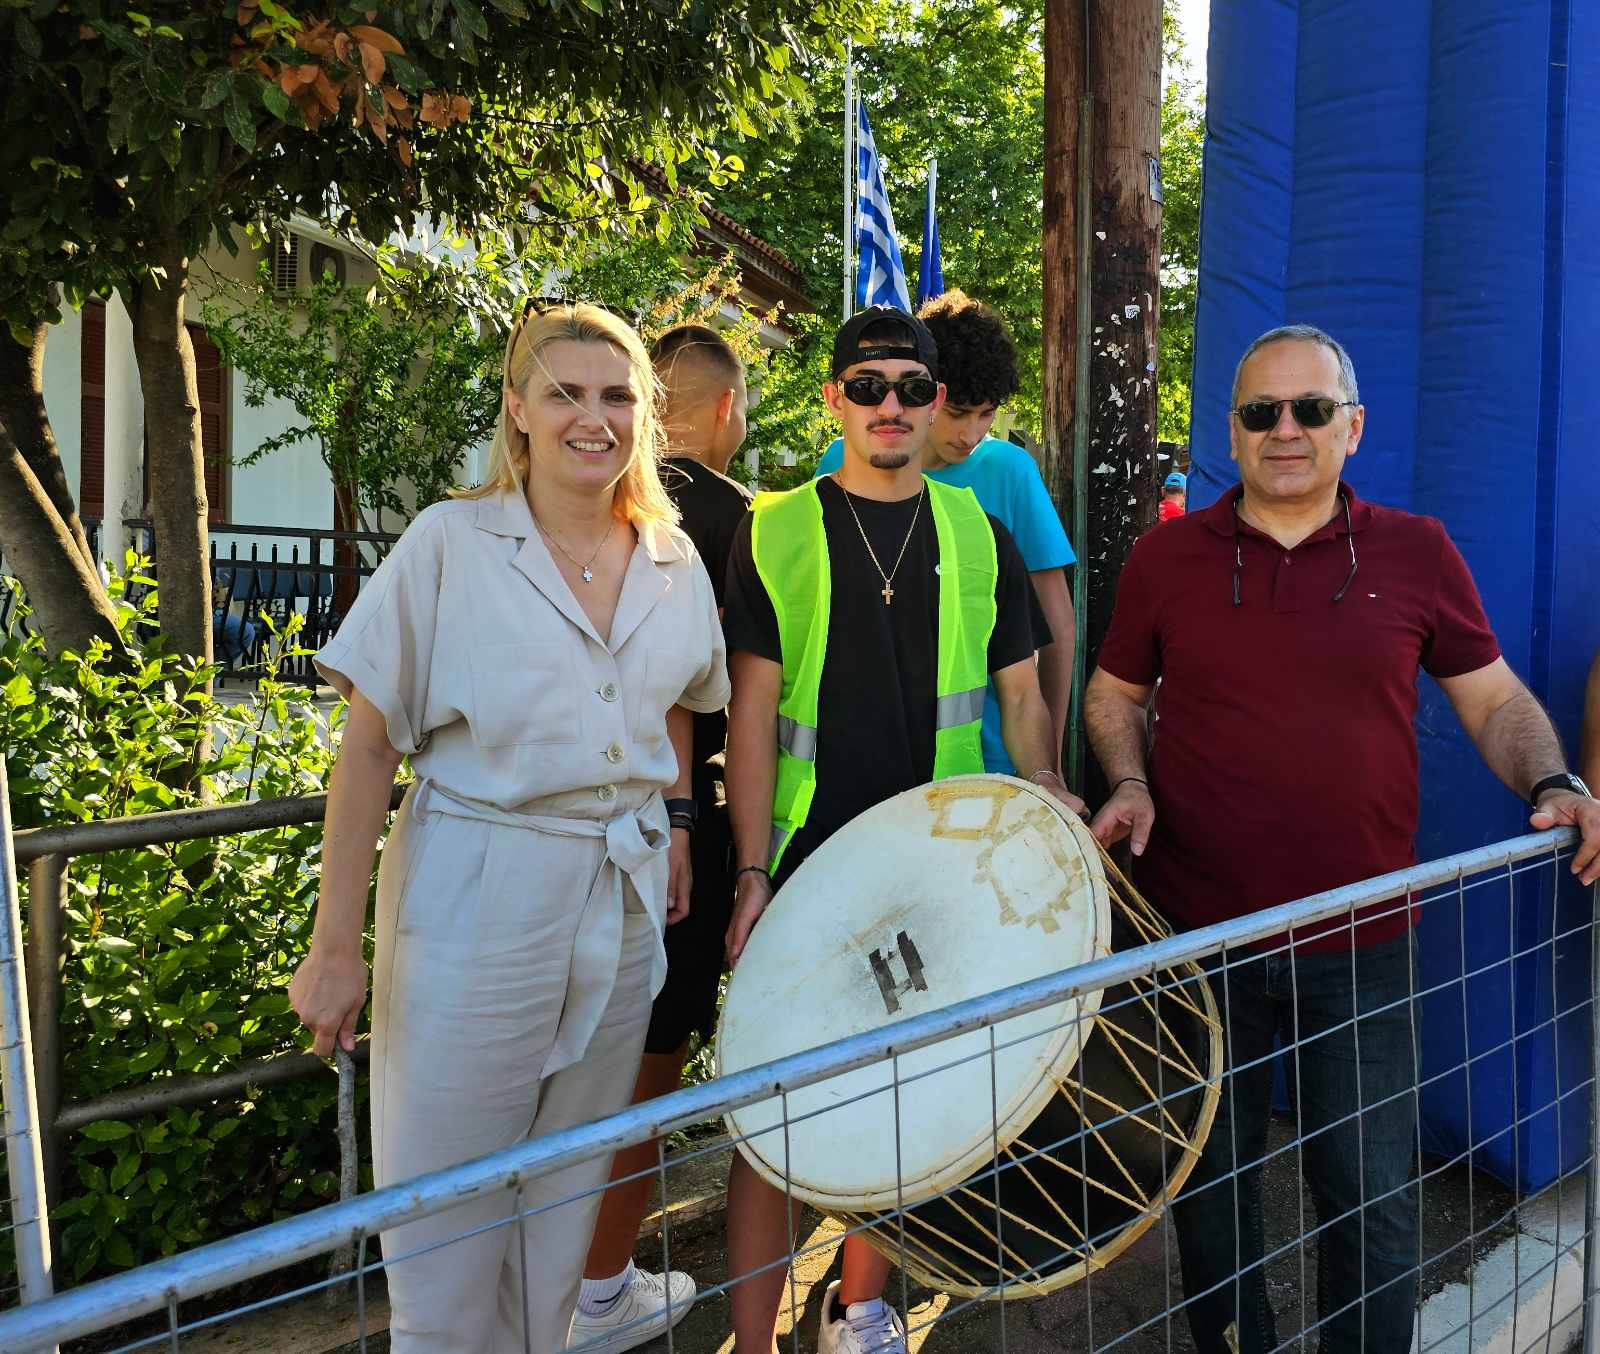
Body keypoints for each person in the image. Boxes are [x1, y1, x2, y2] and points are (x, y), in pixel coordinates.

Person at [1084, 323, 1600, 1353]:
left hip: (1361, 940)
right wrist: (1130, 779)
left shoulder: (1416, 551)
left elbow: (1494, 699)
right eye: (1260, 411)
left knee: (1369, 1197)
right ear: (1232, 430)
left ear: (1351, 428)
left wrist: (1554, 778)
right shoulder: (1167, 556)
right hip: (1199, 942)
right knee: (1210, 1190)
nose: (1285, 429)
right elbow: (1112, 695)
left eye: (1310, 409)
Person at [288, 303, 730, 1354]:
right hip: (475, 888)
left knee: (560, 1216)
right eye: (564, 393)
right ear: (518, 409)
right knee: (446, 1221)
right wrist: (333, 944)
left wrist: (673, 820)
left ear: (646, 415)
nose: (593, 418)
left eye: (616, 395)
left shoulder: (672, 557)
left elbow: (680, 698)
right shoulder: (451, 543)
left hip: (619, 899)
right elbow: (367, 749)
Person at [722, 304, 1085, 1354]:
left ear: (936, 402)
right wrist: (750, 870)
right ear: (833, 397)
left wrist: (1047, 782)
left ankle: (860, 1309)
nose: (892, 405)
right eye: (869, 386)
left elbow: (1020, 695)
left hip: (937, 859)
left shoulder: (980, 531)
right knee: (767, 1112)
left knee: (905, 1097)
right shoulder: (774, 526)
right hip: (806, 855)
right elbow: (752, 712)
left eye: (912, 388)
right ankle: (753, 1343)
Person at [572, 325, 751, 1353]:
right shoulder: (742, 523)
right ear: (727, 409)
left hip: (556, 828)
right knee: (646, 1070)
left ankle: (552, 1283)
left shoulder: (572, 505)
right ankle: (598, 1289)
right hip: (685, 831)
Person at [814, 288, 1077, 774]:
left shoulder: (1011, 470)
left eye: (987, 413)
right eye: (958, 412)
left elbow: (1056, 625)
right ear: (928, 395)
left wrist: (1051, 761)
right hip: (859, 752)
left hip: (991, 755)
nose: (971, 433)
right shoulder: (841, 460)